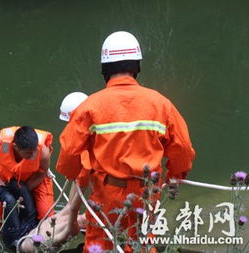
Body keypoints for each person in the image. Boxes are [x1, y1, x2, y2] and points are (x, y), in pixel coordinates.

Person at [56, 31, 196, 253]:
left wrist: (76, 173)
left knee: (99, 243)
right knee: (142, 240)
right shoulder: (161, 104)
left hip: (107, 193)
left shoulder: (90, 107)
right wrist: (175, 177)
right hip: (147, 192)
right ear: (136, 67)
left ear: (105, 70)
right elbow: (183, 149)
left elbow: (68, 154)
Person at [0, 126, 55, 224]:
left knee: (46, 216)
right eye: (29, 153)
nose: (34, 155)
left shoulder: (43, 151)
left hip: (36, 179)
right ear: (15, 147)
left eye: (35, 150)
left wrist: (23, 193)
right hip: (7, 178)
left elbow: (41, 174)